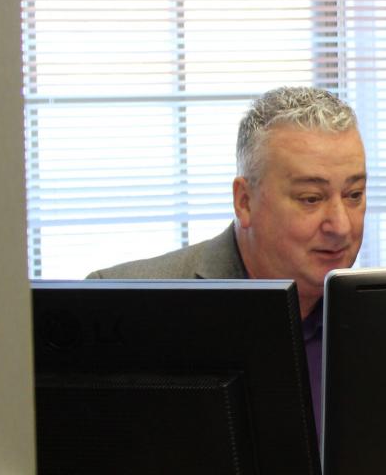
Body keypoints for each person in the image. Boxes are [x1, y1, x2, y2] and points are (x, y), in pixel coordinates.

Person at [89, 85, 367, 434]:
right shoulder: (123, 305)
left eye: (354, 194)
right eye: (311, 198)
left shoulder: (381, 324)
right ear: (244, 202)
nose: (341, 225)